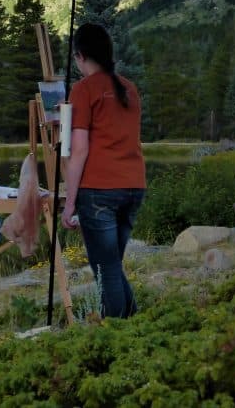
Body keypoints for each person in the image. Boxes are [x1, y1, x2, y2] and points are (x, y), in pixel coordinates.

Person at [61, 23, 145, 319]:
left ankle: (115, 336)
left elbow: (79, 150)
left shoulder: (83, 90)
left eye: (76, 58)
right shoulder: (129, 89)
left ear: (81, 55)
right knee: (111, 265)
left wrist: (69, 204)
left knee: (105, 269)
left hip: (99, 190)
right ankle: (133, 323)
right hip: (134, 186)